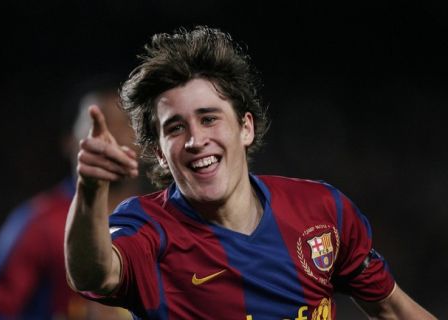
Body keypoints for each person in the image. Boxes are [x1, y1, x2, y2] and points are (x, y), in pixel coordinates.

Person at [64, 26, 437, 319]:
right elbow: (93, 274)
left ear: (246, 128)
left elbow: (393, 310)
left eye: (209, 118)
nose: (196, 139)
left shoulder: (324, 212)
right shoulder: (147, 228)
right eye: (175, 128)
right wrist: (91, 189)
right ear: (160, 154)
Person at [0, 76, 144, 320]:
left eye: (125, 123)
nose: (113, 135)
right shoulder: (39, 222)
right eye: (97, 123)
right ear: (69, 142)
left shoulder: (163, 218)